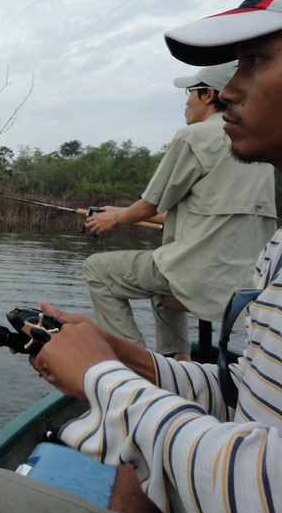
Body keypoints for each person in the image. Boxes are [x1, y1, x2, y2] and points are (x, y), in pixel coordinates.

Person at [0, 0, 282, 513]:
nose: (226, 92)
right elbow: (248, 391)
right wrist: (121, 354)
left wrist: (104, 378)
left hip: (187, 273)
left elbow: (264, 488)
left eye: (256, 60)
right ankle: (152, 356)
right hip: (224, 282)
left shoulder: (195, 137)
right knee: (151, 289)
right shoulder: (274, 240)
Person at [82, 64, 276, 361]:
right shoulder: (255, 147)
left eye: (190, 93)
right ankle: (178, 360)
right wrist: (119, 211)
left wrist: (113, 219)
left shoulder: (194, 135)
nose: (186, 102)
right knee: (163, 278)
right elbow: (207, 215)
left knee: (98, 268)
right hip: (246, 283)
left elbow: (149, 205)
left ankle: (137, 363)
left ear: (208, 94)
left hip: (199, 274)